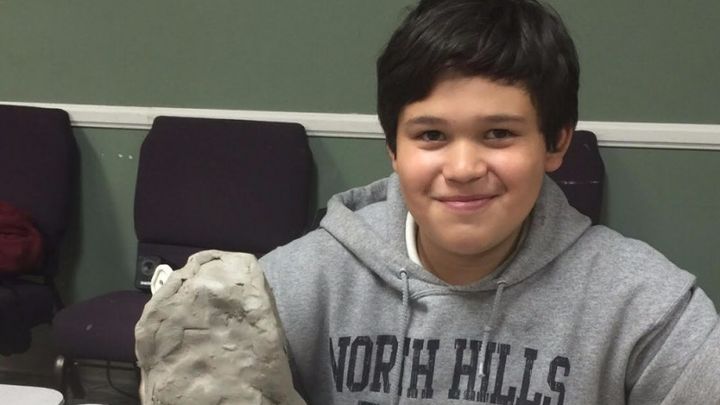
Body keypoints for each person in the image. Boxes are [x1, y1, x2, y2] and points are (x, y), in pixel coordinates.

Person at [259, 0, 720, 403]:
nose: (463, 169)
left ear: (556, 143)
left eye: (499, 133)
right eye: (431, 135)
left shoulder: (648, 309)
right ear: (393, 148)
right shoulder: (289, 288)